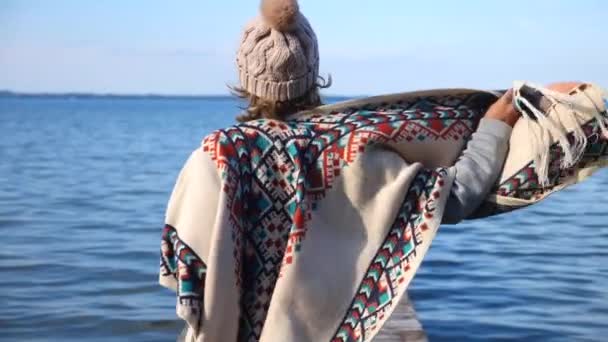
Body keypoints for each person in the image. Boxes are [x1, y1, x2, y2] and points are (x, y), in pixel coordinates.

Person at [159, 0, 581, 341]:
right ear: (313, 74)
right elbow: (451, 200)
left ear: (245, 77)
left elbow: (184, 270)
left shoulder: (216, 155)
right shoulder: (352, 148)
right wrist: (497, 122)